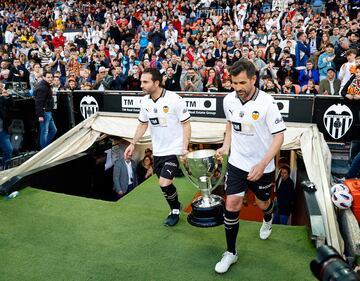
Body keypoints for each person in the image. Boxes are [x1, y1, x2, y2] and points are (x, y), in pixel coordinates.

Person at [214, 59, 285, 274]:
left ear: (254, 79)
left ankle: (268, 218)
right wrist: (226, 145)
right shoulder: (228, 100)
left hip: (262, 166)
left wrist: (263, 164)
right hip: (237, 163)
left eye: (242, 83)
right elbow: (230, 123)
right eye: (234, 83)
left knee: (262, 204)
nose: (237, 88)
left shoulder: (267, 103)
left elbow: (279, 137)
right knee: (232, 204)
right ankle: (231, 252)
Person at [124, 68, 191, 227]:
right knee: (165, 185)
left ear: (156, 82)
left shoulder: (174, 99)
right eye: (141, 81)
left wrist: (184, 148)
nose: (141, 85)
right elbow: (143, 124)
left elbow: (186, 124)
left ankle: (174, 210)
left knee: (164, 182)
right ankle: (176, 205)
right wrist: (133, 143)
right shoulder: (145, 101)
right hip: (158, 152)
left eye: (145, 82)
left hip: (174, 150)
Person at [34, 71, 57, 149]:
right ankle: (43, 150)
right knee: (44, 132)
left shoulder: (46, 85)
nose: (50, 79)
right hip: (44, 112)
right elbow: (38, 102)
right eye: (48, 77)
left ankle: (46, 147)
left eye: (51, 77)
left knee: (53, 130)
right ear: (44, 77)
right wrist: (40, 115)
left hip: (48, 112)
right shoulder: (42, 87)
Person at [0, 86, 13, 170]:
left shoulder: (1, 99)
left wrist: (8, 96)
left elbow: (11, 104)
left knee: (8, 149)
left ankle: (5, 168)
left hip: (2, 129)